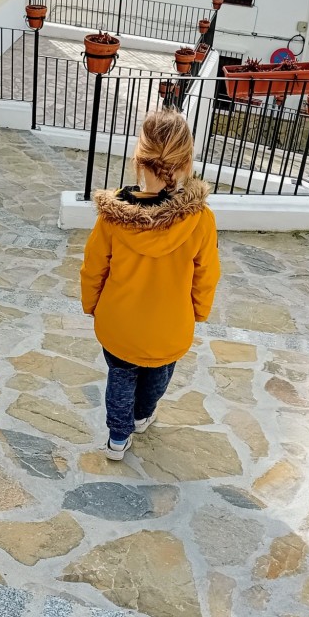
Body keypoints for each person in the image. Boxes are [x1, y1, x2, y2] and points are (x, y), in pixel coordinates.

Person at [80, 109, 221, 461]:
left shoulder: (112, 216)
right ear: (186, 162)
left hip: (119, 323)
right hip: (170, 326)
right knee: (157, 374)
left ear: (138, 158)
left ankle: (117, 438)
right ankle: (142, 417)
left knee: (120, 374)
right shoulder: (201, 220)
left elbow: (93, 266)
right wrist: (199, 312)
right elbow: (207, 273)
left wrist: (91, 304)